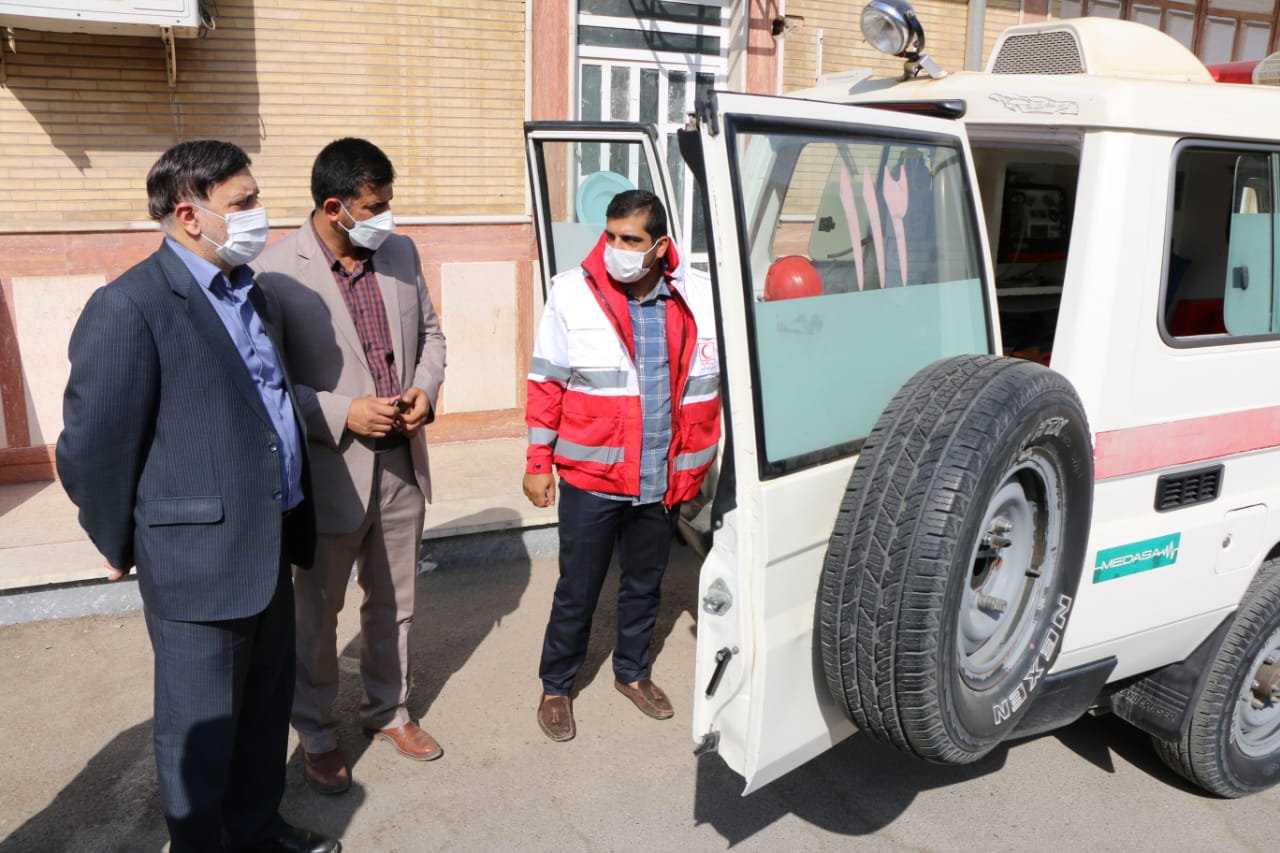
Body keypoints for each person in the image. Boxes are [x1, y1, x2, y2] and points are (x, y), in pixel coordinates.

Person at [56, 140, 339, 853]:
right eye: (242, 204)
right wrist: (118, 541)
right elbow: (93, 448)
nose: (258, 215)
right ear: (189, 215)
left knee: (261, 715)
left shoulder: (253, 291)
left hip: (270, 540)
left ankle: (256, 830)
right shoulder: (130, 306)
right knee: (200, 734)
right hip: (195, 564)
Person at [254, 137, 447, 794]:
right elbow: (267, 384)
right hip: (327, 470)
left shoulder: (401, 252)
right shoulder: (274, 272)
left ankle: (387, 710)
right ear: (334, 208)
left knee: (396, 602)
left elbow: (433, 336)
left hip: (401, 464)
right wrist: (341, 412)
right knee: (316, 614)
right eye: (374, 207)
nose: (386, 219)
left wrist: (426, 386)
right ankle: (315, 730)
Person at [523, 189, 721, 742]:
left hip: (663, 476)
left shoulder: (701, 297)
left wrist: (697, 469)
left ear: (659, 246)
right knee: (577, 588)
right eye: (610, 235)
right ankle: (556, 685)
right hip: (593, 476)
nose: (614, 248)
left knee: (644, 585)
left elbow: (713, 387)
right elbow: (546, 384)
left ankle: (632, 673)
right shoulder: (571, 292)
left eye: (629, 239)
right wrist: (538, 460)